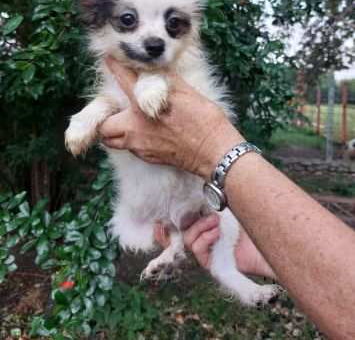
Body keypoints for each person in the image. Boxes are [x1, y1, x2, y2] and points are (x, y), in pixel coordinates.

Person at [100, 56, 355, 340]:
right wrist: (267, 251)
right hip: (166, 201)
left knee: (221, 218)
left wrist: (214, 148)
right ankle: (177, 246)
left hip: (190, 195)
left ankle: (214, 267)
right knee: (210, 220)